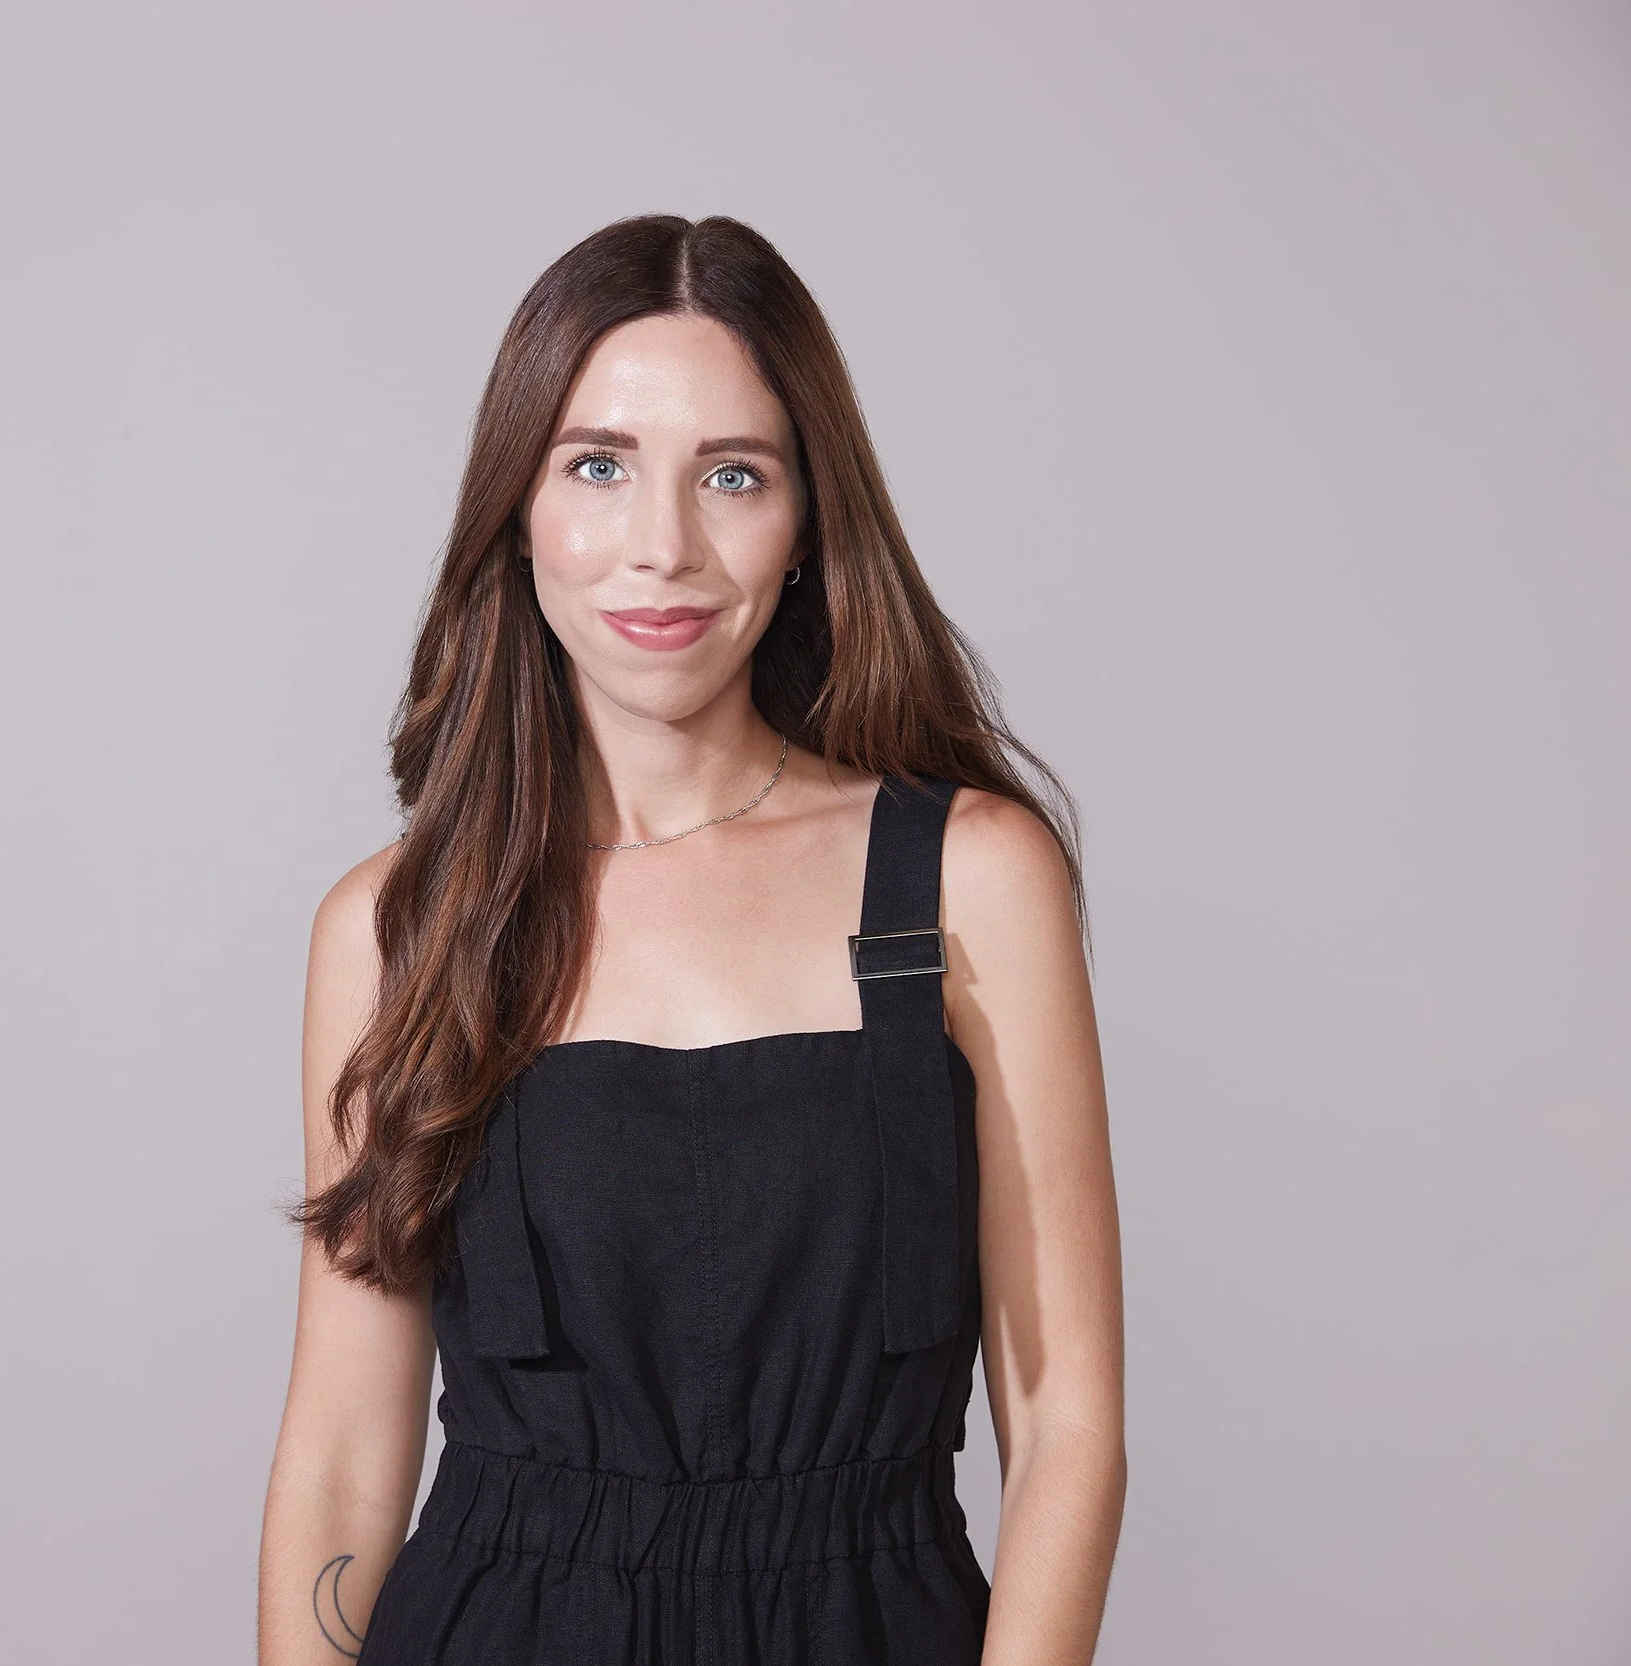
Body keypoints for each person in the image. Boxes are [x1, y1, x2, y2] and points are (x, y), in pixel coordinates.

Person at [256, 213, 1125, 1666]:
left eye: (733, 475)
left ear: (808, 525)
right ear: (517, 511)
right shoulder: (397, 927)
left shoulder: (970, 878)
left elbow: (1067, 1426)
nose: (662, 547)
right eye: (598, 466)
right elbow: (344, 1448)